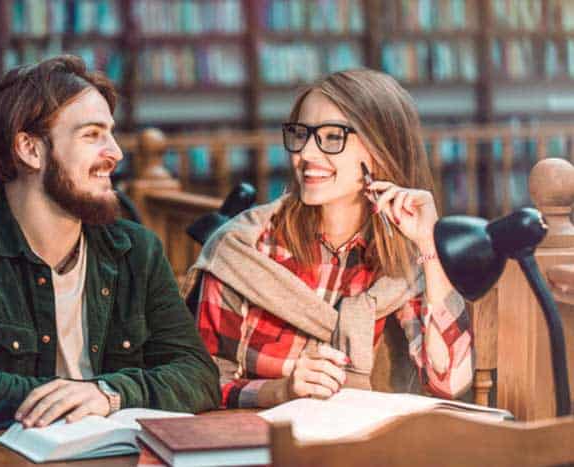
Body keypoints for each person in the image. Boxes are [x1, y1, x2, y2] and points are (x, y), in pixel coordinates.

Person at [0, 55, 220, 432]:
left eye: (110, 133)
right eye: (91, 134)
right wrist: (82, 396)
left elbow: (199, 376)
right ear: (30, 150)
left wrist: (109, 393)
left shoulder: (138, 250)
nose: (115, 152)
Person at [183, 69, 474, 409]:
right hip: (258, 446)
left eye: (332, 137)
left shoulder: (403, 258)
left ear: (381, 150)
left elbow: (450, 381)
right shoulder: (243, 249)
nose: (306, 153)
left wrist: (428, 243)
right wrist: (279, 391)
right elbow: (197, 382)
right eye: (300, 134)